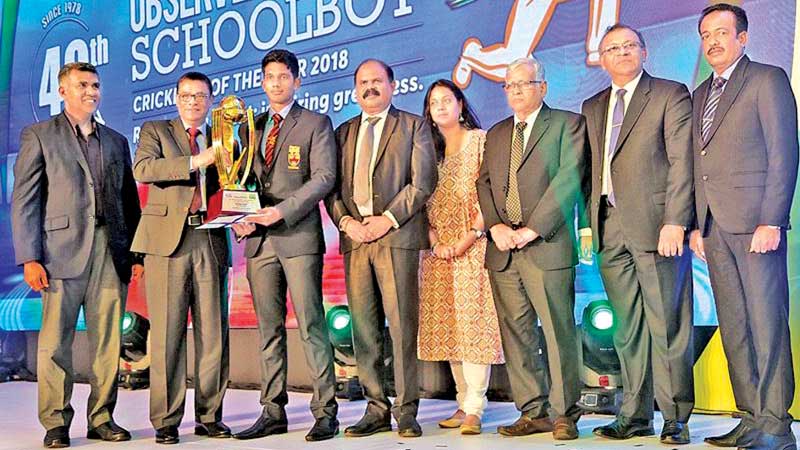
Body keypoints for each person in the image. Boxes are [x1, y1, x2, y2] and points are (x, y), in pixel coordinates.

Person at [11, 62, 142, 449]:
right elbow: (25, 201)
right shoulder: (39, 135)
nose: (91, 91)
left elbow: (129, 202)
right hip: (58, 254)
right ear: (62, 91)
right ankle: (55, 423)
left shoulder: (117, 141)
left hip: (110, 251)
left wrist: (135, 255)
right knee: (55, 343)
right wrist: (29, 257)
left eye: (95, 85)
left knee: (107, 343)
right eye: (82, 85)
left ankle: (102, 417)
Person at [689, 4, 798, 450]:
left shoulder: (767, 79)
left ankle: (776, 426)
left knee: (766, 324)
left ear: (743, 38)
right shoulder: (698, 94)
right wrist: (696, 225)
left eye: (721, 32)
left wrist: (772, 219)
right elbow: (700, 167)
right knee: (734, 326)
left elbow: (784, 152)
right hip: (714, 229)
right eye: (705, 34)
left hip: (757, 226)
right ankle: (751, 417)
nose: (713, 41)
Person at [580, 24, 695, 445]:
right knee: (627, 330)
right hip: (610, 230)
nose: (622, 52)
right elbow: (588, 173)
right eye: (613, 47)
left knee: (667, 325)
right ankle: (635, 415)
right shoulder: (592, 105)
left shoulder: (669, 93)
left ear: (644, 52)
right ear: (602, 58)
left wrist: (676, 221)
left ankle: (676, 417)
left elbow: (682, 162)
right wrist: (587, 225)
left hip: (658, 227)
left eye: (630, 45)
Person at [230, 49, 339, 442]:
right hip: (259, 244)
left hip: (297, 236)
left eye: (282, 76)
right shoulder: (250, 127)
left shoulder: (315, 123)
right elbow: (240, 181)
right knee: (268, 331)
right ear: (262, 82)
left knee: (311, 325)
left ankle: (326, 411)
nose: (275, 83)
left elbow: (325, 177)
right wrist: (238, 216)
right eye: (269, 77)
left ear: (297, 80)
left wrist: (281, 212)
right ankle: (272, 410)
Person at [475, 57, 586, 441]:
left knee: (558, 333)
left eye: (523, 83)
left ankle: (565, 414)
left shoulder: (567, 124)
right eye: (509, 85)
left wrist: (533, 229)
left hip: (547, 245)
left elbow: (568, 179)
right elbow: (484, 184)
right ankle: (532, 410)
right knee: (517, 335)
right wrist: (496, 227)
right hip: (504, 250)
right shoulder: (497, 132)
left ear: (543, 86)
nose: (516, 91)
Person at [326, 59, 437, 438]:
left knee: (402, 325)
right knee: (364, 329)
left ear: (392, 85)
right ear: (355, 89)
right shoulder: (342, 133)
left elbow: (422, 183)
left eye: (377, 81)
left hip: (396, 237)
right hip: (356, 241)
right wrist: (347, 223)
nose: (369, 87)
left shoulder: (413, 126)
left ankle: (406, 410)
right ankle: (375, 408)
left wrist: (386, 219)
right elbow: (332, 189)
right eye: (362, 82)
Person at [131, 71, 231, 445]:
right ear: (176, 98)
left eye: (201, 96)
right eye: (187, 95)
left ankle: (210, 415)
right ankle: (166, 419)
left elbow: (239, 181)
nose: (194, 102)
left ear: (209, 99)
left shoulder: (224, 136)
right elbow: (144, 169)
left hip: (211, 236)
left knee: (213, 334)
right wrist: (196, 160)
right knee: (168, 334)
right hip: (166, 242)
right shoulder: (156, 130)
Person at [417, 79, 504, 436]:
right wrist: (436, 240)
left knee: (473, 329)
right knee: (450, 330)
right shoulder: (427, 150)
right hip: (437, 254)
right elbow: (420, 201)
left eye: (446, 100)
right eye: (433, 102)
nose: (440, 107)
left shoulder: (480, 141)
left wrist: (469, 237)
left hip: (474, 248)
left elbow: (490, 193)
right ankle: (461, 401)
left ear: (460, 105)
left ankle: (476, 408)